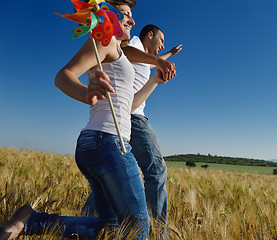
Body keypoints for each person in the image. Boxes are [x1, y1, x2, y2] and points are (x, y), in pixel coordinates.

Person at [0, 1, 176, 239]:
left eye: (131, 16)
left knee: (110, 228)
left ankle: (32, 221)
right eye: (124, 14)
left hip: (99, 144)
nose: (132, 21)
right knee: (138, 228)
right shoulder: (105, 41)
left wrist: (154, 79)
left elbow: (131, 105)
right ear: (103, 14)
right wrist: (85, 92)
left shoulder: (121, 53)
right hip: (108, 142)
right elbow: (63, 76)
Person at [81, 25, 182, 232]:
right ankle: (157, 230)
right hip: (134, 118)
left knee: (114, 173)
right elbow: (125, 52)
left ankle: (89, 219)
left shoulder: (144, 59)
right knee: (156, 171)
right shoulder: (134, 43)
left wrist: (169, 54)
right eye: (160, 40)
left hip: (126, 118)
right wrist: (159, 59)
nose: (161, 45)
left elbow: (149, 64)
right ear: (149, 35)